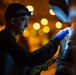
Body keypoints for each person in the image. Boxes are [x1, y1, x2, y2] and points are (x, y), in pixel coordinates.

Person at [0, 3, 69, 75]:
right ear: (12, 21)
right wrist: (56, 39)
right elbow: (32, 58)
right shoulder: (4, 40)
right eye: (24, 20)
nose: (26, 25)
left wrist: (27, 72)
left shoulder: (7, 39)